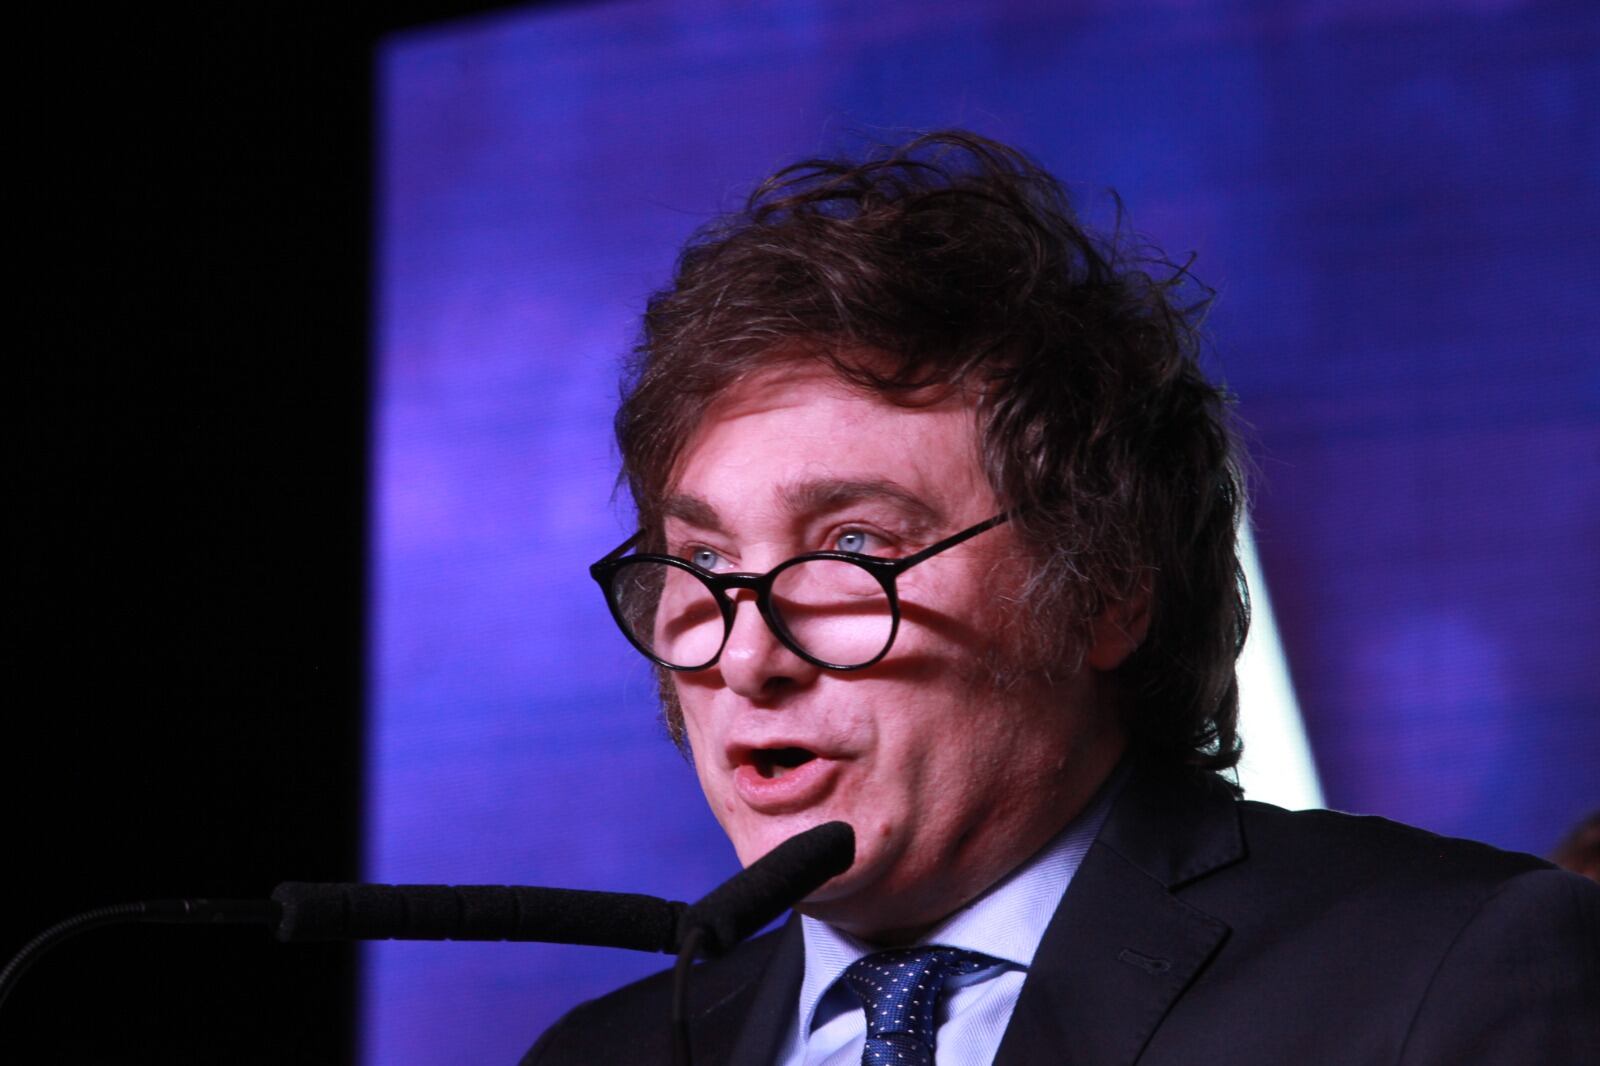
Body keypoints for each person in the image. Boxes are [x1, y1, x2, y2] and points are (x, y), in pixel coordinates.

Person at [525, 132, 1599, 1064]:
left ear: (1105, 591)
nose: (747, 656)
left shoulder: (1447, 972)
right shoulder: (599, 1053)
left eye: (853, 548)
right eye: (705, 562)